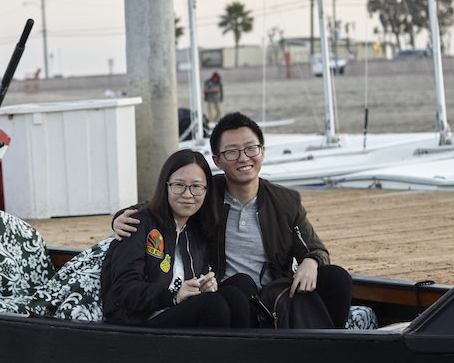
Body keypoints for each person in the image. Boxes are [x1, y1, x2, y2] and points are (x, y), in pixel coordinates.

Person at [114, 112, 352, 328]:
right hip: (231, 294)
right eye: (232, 152)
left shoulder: (284, 201)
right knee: (241, 285)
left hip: (274, 294)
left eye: (251, 148)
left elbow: (316, 248)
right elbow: (167, 200)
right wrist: (119, 218)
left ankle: (331, 346)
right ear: (217, 160)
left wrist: (311, 260)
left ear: (263, 151)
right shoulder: (207, 195)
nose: (243, 158)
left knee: (337, 277)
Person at [100, 149, 252, 328]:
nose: (188, 194)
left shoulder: (195, 231)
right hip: (138, 323)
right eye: (179, 185)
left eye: (196, 186)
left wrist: (202, 286)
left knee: (241, 286)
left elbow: (192, 285)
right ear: (166, 186)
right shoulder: (136, 223)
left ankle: (242, 352)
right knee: (213, 306)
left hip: (174, 314)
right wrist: (173, 295)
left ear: (206, 191)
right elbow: (125, 289)